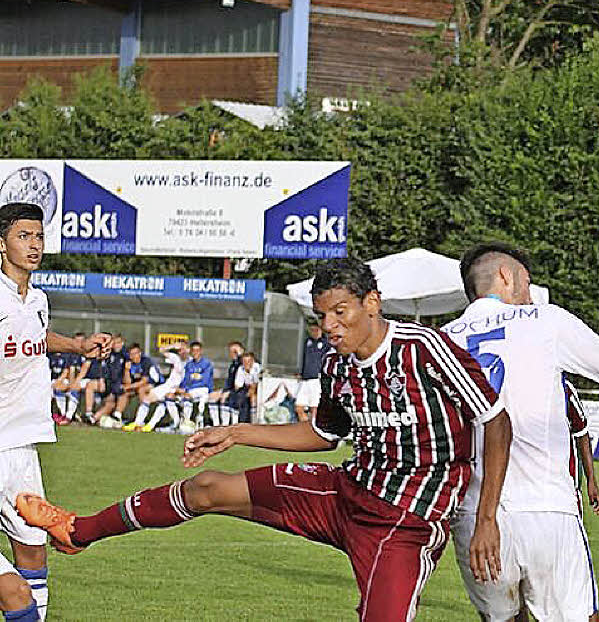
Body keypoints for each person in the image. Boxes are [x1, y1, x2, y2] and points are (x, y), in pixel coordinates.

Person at [17, 257, 512, 620]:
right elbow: (324, 433)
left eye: (341, 312)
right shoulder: (338, 363)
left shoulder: (423, 349)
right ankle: (77, 531)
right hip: (343, 494)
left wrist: (485, 516)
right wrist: (234, 432)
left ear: (372, 303)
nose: (331, 326)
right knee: (206, 488)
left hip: (403, 524)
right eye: (323, 316)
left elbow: (495, 419)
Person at [442, 243, 599, 622]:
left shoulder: (441, 340)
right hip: (546, 508)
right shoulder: (545, 320)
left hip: (477, 515)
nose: (529, 291)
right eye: (526, 281)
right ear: (506, 276)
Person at [0, 202, 110, 622]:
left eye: (39, 236)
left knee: (32, 552)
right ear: (2, 243)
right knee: (15, 593)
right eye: (23, 236)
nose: (33, 245)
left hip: (23, 444)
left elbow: (36, 336)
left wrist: (79, 345)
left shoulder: (39, 299)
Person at [126, 342, 188, 433]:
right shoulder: (176, 358)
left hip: (180, 389)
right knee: (147, 399)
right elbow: (161, 350)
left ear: (188, 350)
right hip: (168, 386)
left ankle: (158, 425)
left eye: (183, 349)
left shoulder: (191, 362)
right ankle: (138, 423)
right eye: (179, 349)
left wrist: (181, 390)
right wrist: (172, 346)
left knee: (164, 401)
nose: (181, 351)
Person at [565, 379, 599, 518]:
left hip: (564, 492)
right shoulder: (508, 386)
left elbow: (582, 434)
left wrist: (591, 480)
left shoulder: (564, 389)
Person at [210, 351, 259, 426]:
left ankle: (255, 423)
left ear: (252, 361)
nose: (246, 363)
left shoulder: (256, 368)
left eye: (248, 361)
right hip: (244, 388)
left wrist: (250, 389)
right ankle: (229, 424)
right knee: (233, 397)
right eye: (244, 361)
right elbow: (237, 386)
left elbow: (255, 384)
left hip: (259, 389)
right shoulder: (240, 369)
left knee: (252, 398)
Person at [121, 345, 162, 432]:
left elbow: (144, 381)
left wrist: (129, 386)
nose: (133, 356)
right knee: (125, 393)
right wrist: (126, 370)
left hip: (156, 385)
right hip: (138, 385)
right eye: (131, 354)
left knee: (141, 389)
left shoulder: (146, 362)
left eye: (135, 353)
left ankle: (140, 420)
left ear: (140, 353)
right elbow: (127, 382)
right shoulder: (129, 363)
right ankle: (118, 417)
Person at [295, 322, 329, 422]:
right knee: (299, 407)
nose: (314, 332)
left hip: (316, 380)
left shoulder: (325, 343)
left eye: (316, 330)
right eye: (312, 330)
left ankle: (313, 430)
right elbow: (304, 358)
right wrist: (301, 372)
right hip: (305, 379)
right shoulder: (307, 342)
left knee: (314, 408)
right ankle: (306, 426)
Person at [50, 335, 86, 425]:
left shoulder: (89, 354)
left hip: (84, 380)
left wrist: (73, 382)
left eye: (80, 341)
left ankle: (68, 416)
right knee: (56, 388)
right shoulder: (67, 354)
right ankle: (61, 414)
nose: (78, 344)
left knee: (73, 390)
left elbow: (70, 371)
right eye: (76, 341)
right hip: (64, 380)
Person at [207, 342, 244, 427]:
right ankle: (216, 425)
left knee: (225, 398)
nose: (233, 354)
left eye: (235, 352)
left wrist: (228, 392)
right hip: (230, 389)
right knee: (212, 397)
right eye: (231, 352)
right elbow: (229, 382)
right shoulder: (233, 365)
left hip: (240, 390)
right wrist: (222, 391)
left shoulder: (243, 363)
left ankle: (225, 426)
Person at [179, 341, 214, 430]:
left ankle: (200, 420)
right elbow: (186, 379)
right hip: (191, 390)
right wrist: (183, 389)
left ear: (201, 351)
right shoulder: (189, 364)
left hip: (204, 389)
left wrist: (192, 385)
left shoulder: (207, 363)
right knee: (183, 397)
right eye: (193, 350)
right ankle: (186, 422)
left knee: (200, 398)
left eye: (197, 350)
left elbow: (205, 381)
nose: (195, 353)